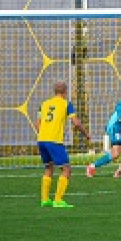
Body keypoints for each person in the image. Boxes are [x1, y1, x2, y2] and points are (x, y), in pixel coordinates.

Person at [36, 81, 89, 209]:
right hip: (54, 141)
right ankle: (58, 200)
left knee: (48, 168)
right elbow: (75, 123)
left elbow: (38, 124)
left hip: (41, 140)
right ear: (65, 92)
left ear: (54, 92)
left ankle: (44, 199)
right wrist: (86, 133)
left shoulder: (44, 104)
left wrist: (43, 134)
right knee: (66, 169)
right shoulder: (66, 104)